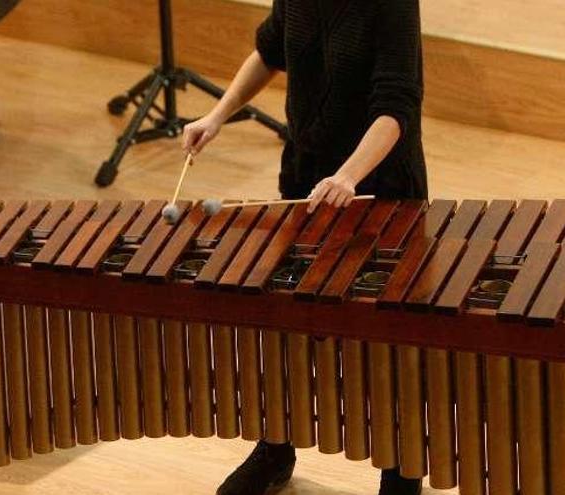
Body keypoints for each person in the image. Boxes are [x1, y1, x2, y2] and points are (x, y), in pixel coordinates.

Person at [182, 0, 427, 493]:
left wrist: (349, 176)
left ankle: (400, 471)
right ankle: (275, 447)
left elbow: (397, 105)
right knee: (286, 322)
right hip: (305, 178)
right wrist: (217, 114)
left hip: (380, 190)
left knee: (382, 338)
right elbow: (270, 52)